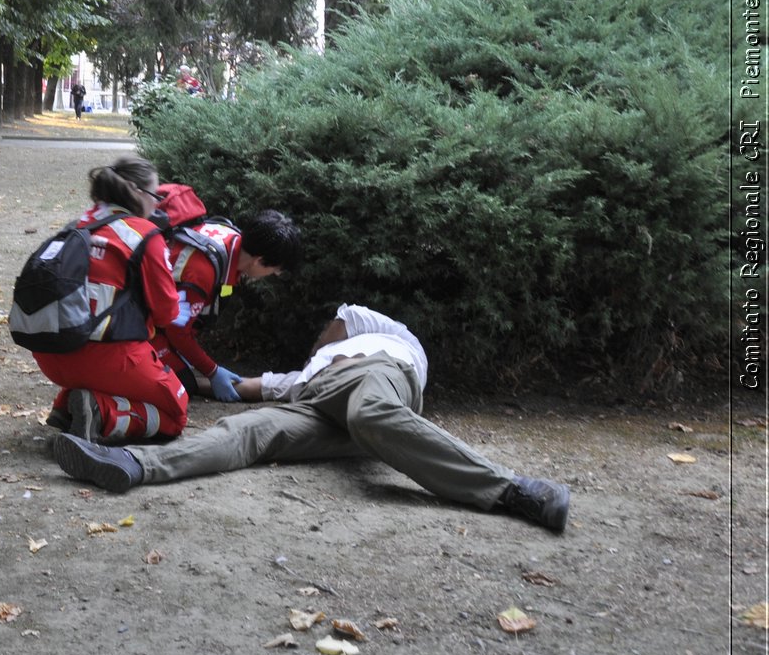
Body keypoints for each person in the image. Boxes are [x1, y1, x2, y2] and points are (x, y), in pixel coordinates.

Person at [50, 304, 573, 532]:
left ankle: (513, 491)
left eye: (325, 335)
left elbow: (344, 314)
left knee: (371, 413)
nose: (319, 340)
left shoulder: (381, 333)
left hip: (378, 380)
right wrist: (188, 376)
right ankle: (131, 463)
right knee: (247, 430)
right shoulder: (302, 373)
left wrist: (330, 346)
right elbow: (242, 388)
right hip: (319, 402)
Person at [32, 155, 189, 444]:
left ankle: (69, 405)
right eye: (156, 196)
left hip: (50, 352)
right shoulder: (144, 235)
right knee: (176, 411)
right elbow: (167, 313)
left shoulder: (79, 223)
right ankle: (101, 412)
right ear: (136, 192)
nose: (158, 205)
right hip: (107, 357)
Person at [149, 185, 300, 401]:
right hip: (146, 327)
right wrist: (211, 370)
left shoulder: (231, 239)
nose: (274, 275)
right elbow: (175, 329)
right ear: (258, 261)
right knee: (182, 386)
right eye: (275, 269)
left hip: (162, 317)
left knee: (184, 367)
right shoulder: (203, 272)